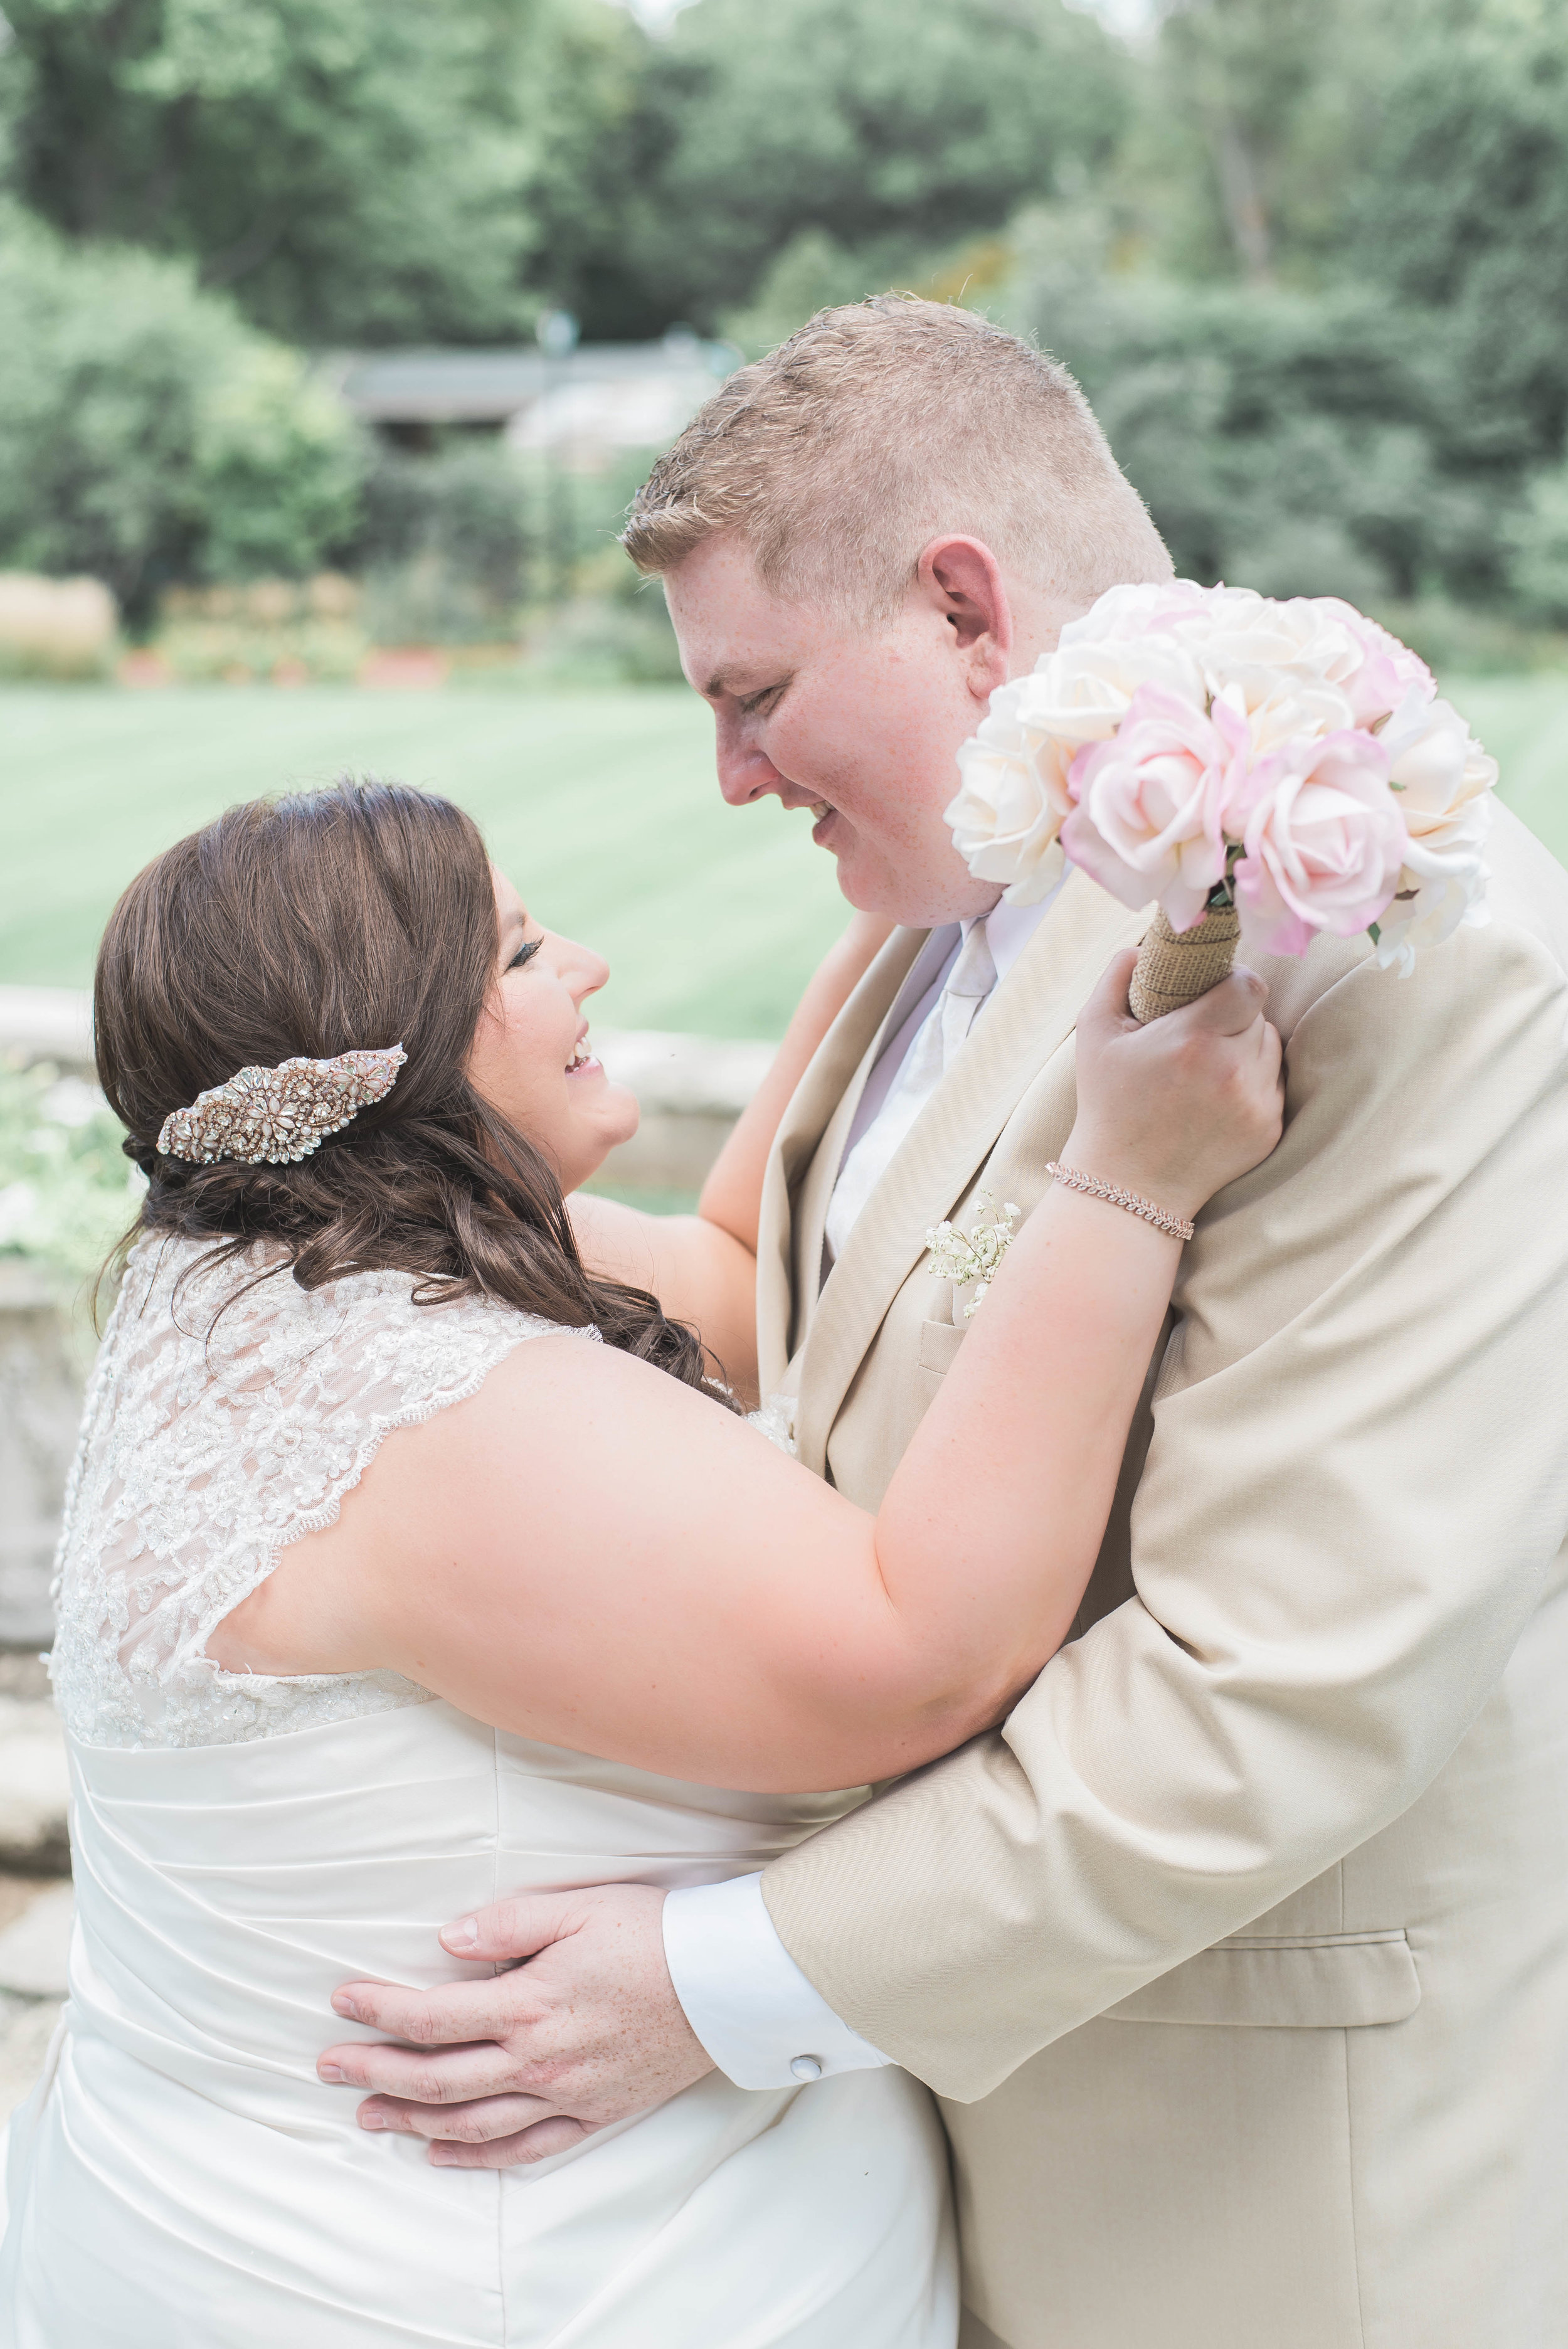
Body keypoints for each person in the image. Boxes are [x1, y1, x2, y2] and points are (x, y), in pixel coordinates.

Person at [334, 299, 1568, 2349]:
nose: (728, 778)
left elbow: (1281, 1687)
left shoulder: (1391, 941)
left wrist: (709, 1984)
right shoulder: (933, 900)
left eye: (754, 696)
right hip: (922, 2155)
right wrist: (367, 1228)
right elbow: (772, 1302)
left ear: (968, 608)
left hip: (1249, 2184)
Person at [0, 777, 1281, 2346]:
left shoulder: (259, 1268)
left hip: (212, 2208)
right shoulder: (435, 1409)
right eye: (523, 953)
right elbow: (926, 1652)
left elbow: (734, 1281)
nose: (586, 967)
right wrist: (1130, 1176)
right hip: (505, 2280)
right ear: (381, 1057)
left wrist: (926, 883)